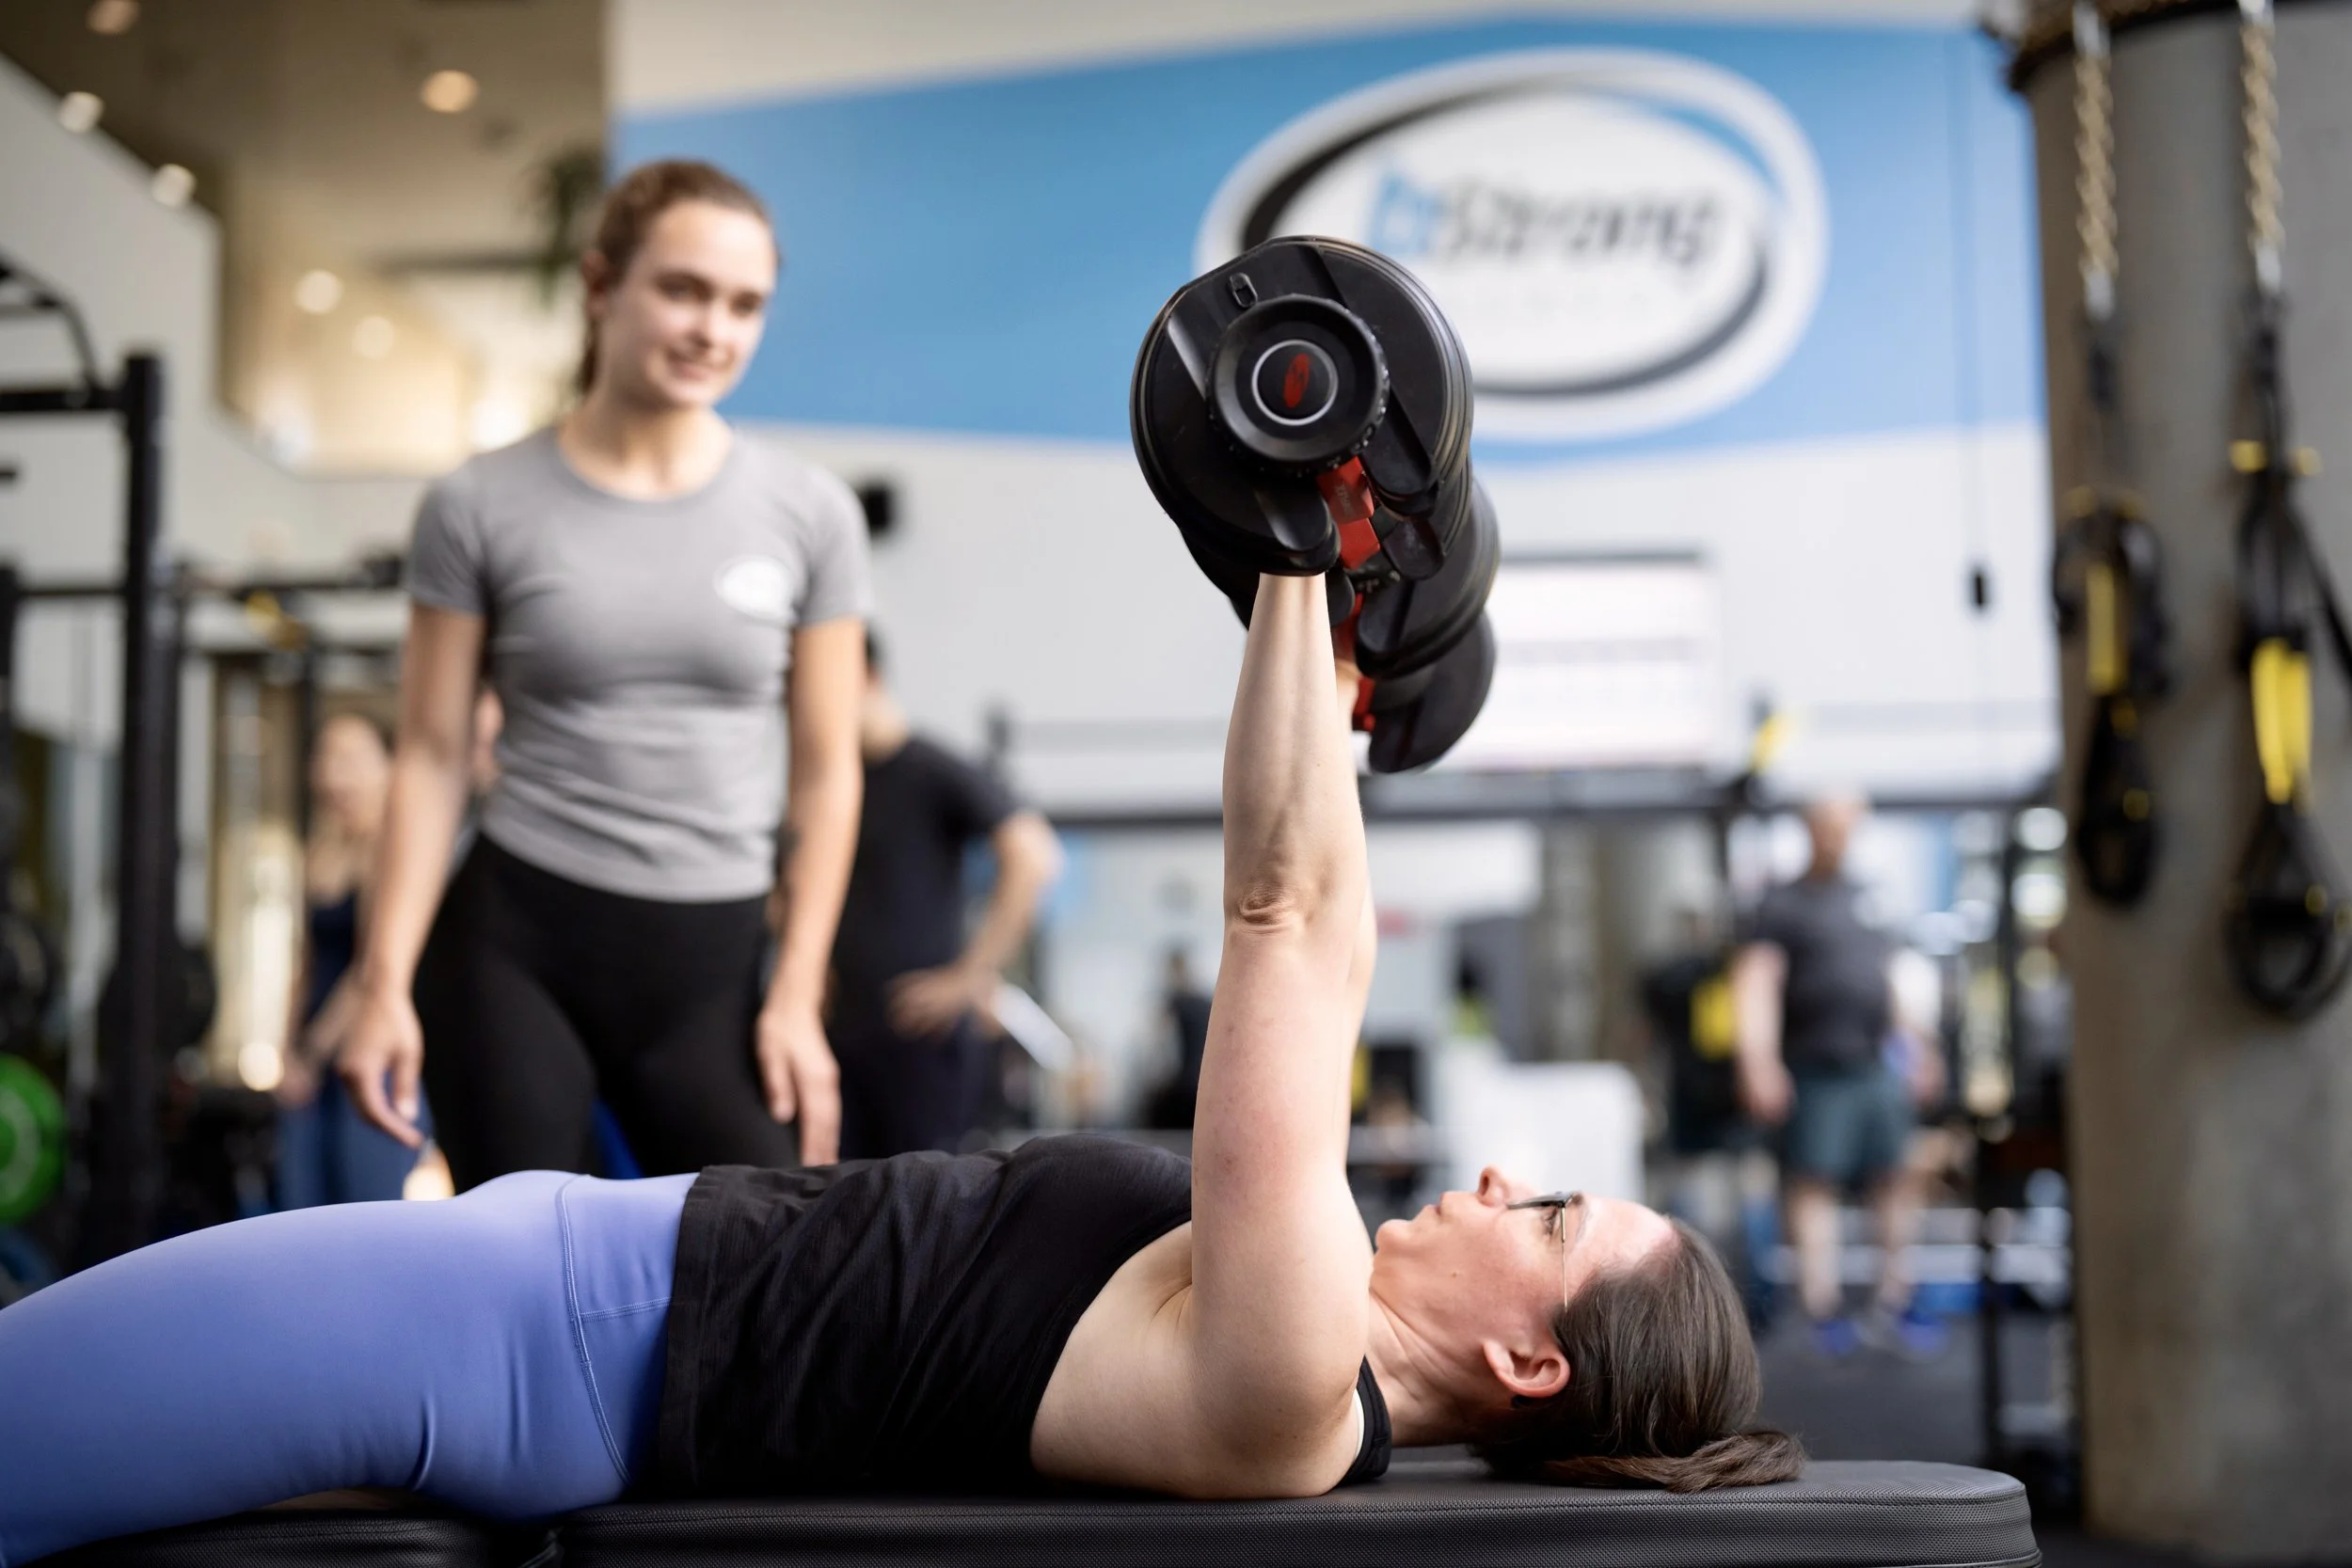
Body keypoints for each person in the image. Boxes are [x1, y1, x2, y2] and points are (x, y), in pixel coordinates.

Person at [0, 573, 1799, 1563]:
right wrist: (1319, 632)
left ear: (1529, 1354)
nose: (1497, 1177)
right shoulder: (1304, 1381)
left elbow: (1289, 916)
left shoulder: (1296, 1375)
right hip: (558, 1293)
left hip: (517, 1330)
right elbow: (1297, 892)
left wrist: (1302, 555)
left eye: (1547, 1211)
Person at [335, 159, 869, 1187]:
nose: (713, 328)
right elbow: (434, 755)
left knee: (765, 1270)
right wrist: (382, 979)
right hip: (516, 946)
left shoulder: (810, 514)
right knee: (529, 1265)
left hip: (713, 963)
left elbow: (825, 772)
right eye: (682, 289)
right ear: (599, 287)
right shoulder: (478, 502)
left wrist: (797, 991)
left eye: (744, 304)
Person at [827, 630, 1062, 1158]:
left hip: (920, 1045)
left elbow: (1033, 856)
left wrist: (969, 976)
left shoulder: (928, 770)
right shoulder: (833, 783)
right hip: (842, 1040)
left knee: (925, 1213)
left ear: (867, 677)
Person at [1729, 795, 1946, 1357]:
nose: (1840, 835)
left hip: (1873, 1062)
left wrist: (1919, 1048)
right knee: (1813, 1181)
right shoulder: (1781, 902)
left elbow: (1891, 981)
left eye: (1849, 825)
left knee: (1895, 1175)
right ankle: (1820, 1307)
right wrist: (1758, 1060)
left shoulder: (1867, 896)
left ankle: (1895, 1300)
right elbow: (1756, 985)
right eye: (1830, 825)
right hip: (1813, 1065)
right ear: (1809, 828)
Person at [273, 713, 425, 1208]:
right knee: (301, 1208)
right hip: (311, 1064)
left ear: (387, 766)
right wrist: (287, 1052)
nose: (336, 772)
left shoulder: (394, 849)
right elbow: (306, 963)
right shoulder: (318, 852)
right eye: (328, 757)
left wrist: (313, 1053)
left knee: (367, 1209)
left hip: (370, 1051)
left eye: (353, 758)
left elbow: (369, 969)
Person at [1142, 946, 1214, 1131]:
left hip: (1182, 1087)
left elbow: (1161, 1048)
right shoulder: (1207, 1001)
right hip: (1205, 1085)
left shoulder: (1174, 1003)